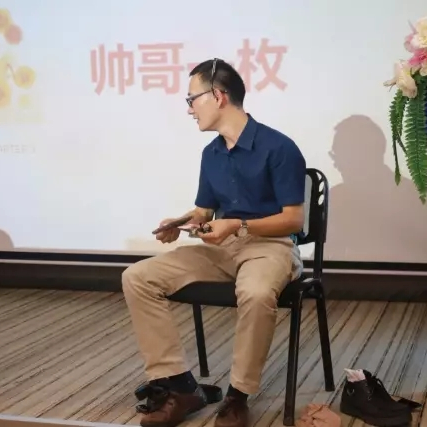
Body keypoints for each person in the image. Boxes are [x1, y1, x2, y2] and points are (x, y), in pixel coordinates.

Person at [121, 58, 307, 427]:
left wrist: (237, 224)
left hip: (271, 247)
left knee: (256, 292)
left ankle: (237, 397)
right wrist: (181, 222)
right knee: (137, 277)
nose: (189, 109)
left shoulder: (279, 147)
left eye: (192, 99)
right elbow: (205, 210)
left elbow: (294, 220)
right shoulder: (211, 153)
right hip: (223, 250)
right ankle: (180, 386)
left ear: (218, 96)